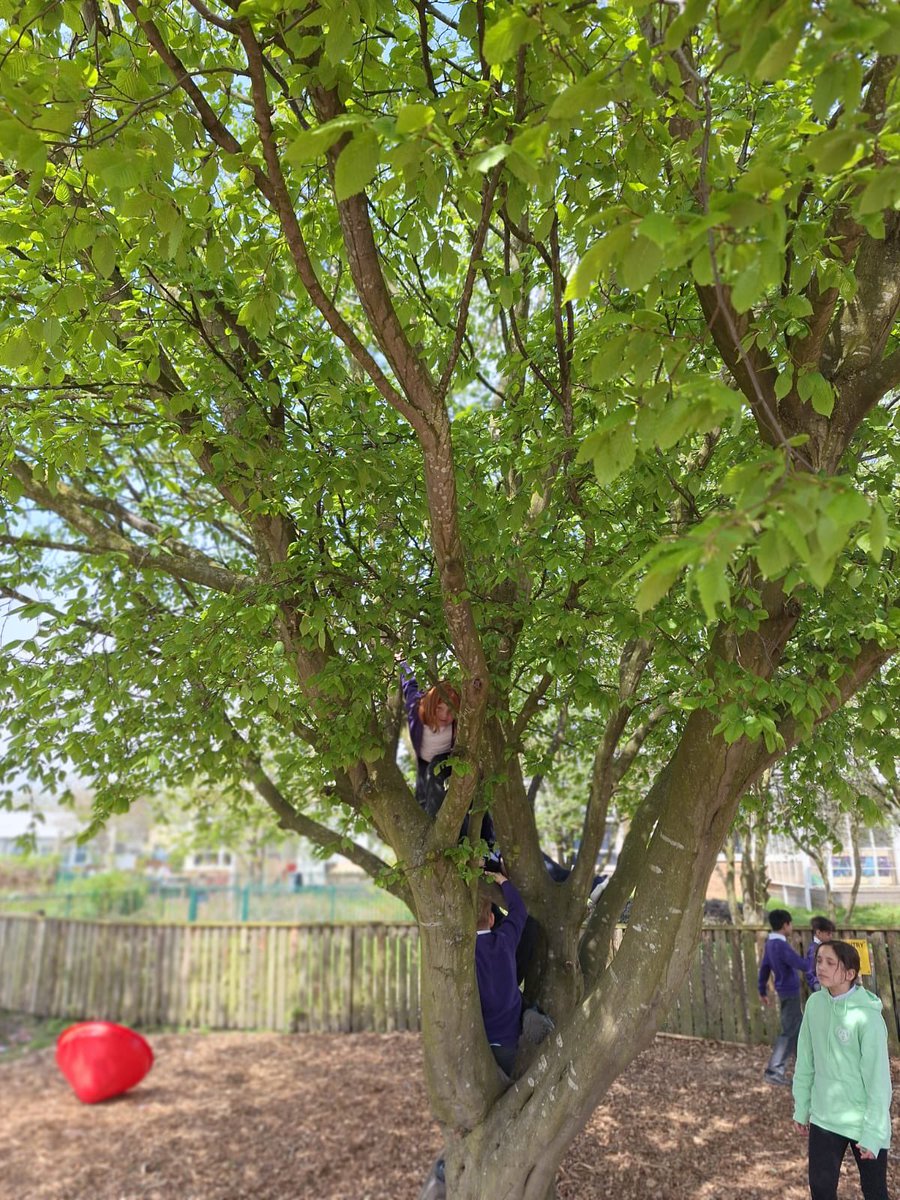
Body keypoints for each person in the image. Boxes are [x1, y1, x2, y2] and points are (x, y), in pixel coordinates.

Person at [792, 940, 892, 1200]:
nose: (821, 967)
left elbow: (878, 1080)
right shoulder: (814, 1005)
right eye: (819, 960)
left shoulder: (867, 1018)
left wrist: (874, 1132)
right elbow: (805, 1060)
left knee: (875, 1192)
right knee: (822, 1191)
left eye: (830, 962)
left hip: (863, 1121)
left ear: (849, 974)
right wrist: (802, 1107)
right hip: (825, 1117)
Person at [476, 871, 528, 1077]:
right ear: (491, 918)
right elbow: (519, 911)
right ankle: (530, 1012)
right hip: (508, 1036)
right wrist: (504, 881)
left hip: (480, 1036)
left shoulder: (461, 955)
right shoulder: (504, 940)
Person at [759, 908, 809, 1085]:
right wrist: (815, 957)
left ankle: (805, 1067)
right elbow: (800, 964)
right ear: (785, 925)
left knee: (798, 1029)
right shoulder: (781, 945)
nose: (792, 927)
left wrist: (762, 991)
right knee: (789, 1031)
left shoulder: (770, 944)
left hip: (784, 991)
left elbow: (764, 968)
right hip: (790, 991)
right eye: (791, 924)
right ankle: (774, 1071)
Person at [805, 915, 837, 993]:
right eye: (828, 934)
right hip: (819, 985)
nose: (831, 936)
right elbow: (810, 970)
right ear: (818, 932)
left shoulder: (824, 947)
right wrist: (816, 984)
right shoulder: (814, 949)